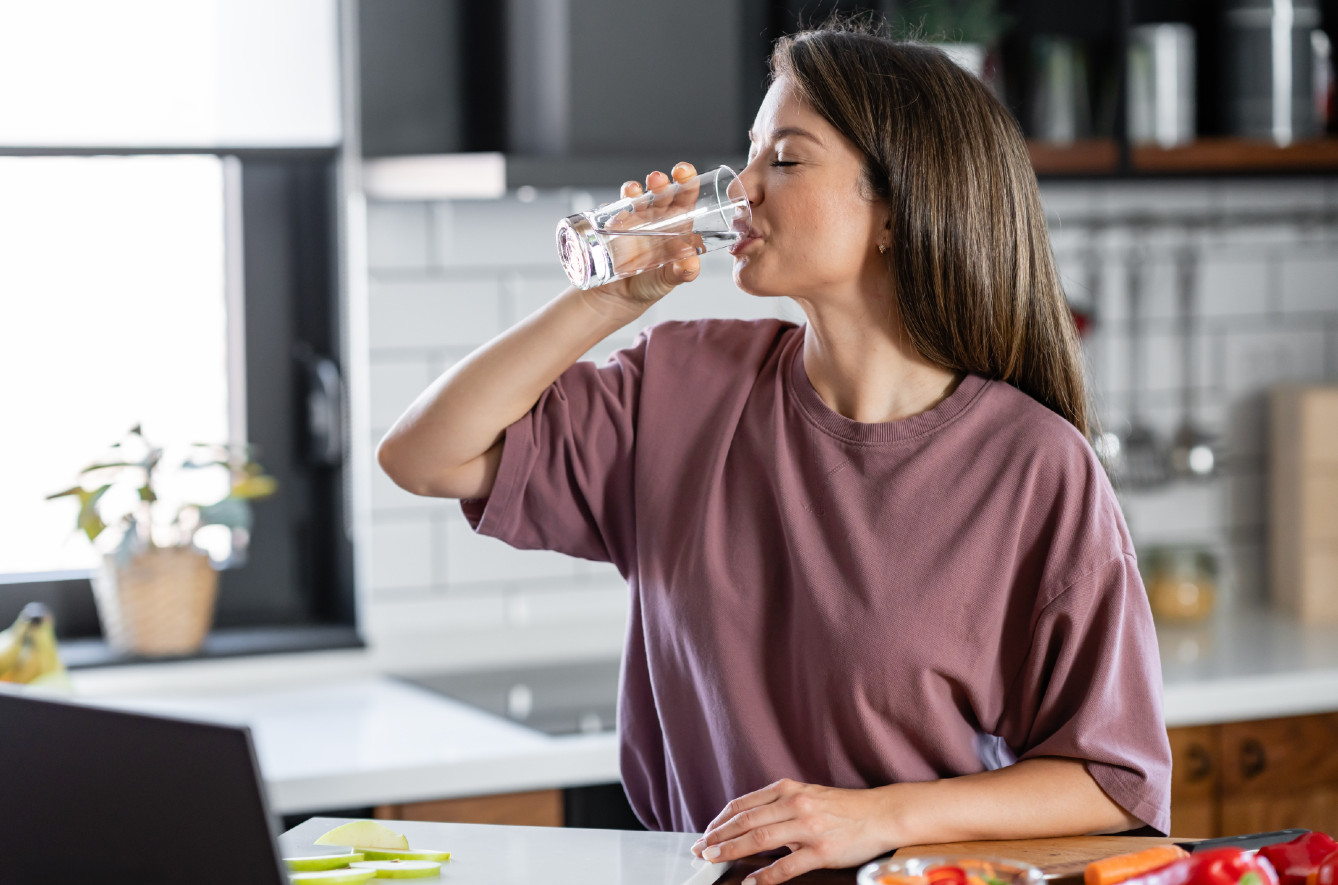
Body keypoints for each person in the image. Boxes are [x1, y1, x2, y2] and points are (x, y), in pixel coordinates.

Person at [377, 22, 1171, 885]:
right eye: (749, 154)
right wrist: (607, 300)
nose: (743, 188)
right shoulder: (682, 385)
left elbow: (1114, 782)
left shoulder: (1033, 467)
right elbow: (425, 455)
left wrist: (875, 817)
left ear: (896, 212)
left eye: (785, 160)